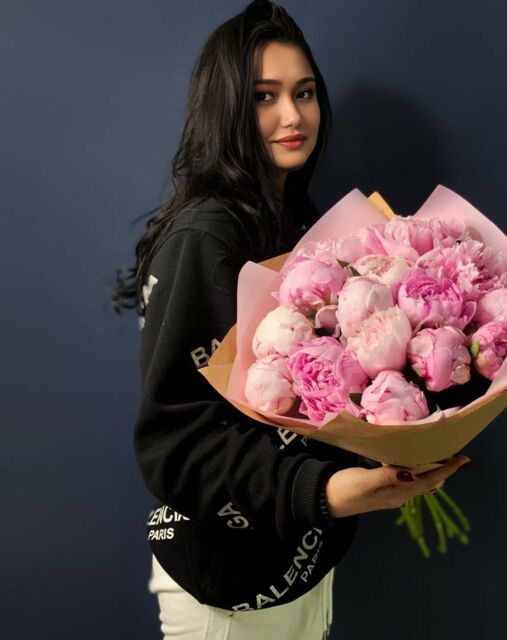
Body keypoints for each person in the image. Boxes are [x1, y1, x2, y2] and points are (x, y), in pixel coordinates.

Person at [111, 1, 470, 638]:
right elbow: (175, 446)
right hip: (228, 590)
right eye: (265, 96)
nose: (293, 116)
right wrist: (326, 493)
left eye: (304, 93)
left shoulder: (299, 222)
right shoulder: (206, 238)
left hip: (301, 560)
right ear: (226, 108)